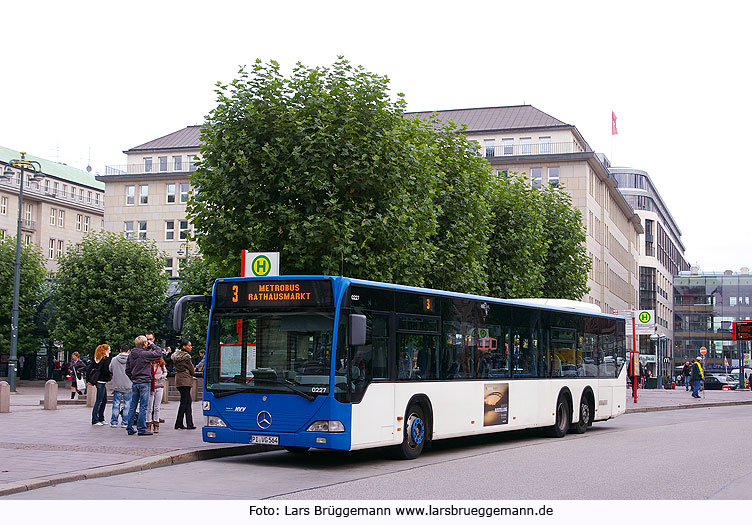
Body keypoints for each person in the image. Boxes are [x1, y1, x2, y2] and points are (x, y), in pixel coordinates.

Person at [125, 335, 163, 436]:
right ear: (144, 343)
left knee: (133, 406)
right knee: (143, 407)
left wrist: (133, 378)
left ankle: (129, 427)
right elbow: (158, 354)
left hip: (135, 382)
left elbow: (127, 370)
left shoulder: (131, 355)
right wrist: (153, 345)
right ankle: (141, 429)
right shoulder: (144, 354)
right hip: (144, 382)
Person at [172, 339, 196, 430]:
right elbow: (192, 369)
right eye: (189, 346)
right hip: (185, 379)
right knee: (185, 402)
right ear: (184, 346)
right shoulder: (186, 357)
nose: (190, 347)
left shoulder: (175, 356)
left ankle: (184, 423)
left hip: (178, 379)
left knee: (186, 401)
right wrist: (190, 371)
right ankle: (183, 423)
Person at [87, 344, 112, 426]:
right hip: (101, 381)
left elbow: (89, 369)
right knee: (99, 401)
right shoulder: (104, 359)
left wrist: (88, 379)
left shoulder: (96, 359)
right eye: (109, 350)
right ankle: (95, 419)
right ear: (105, 351)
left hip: (100, 381)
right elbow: (106, 370)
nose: (110, 351)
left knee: (103, 400)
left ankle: (101, 418)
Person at [109, 343, 132, 428]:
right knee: (127, 404)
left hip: (117, 384)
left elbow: (110, 369)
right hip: (128, 384)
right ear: (128, 351)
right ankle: (125, 422)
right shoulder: (131, 359)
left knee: (116, 404)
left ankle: (114, 422)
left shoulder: (114, 359)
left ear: (120, 350)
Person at [145, 357, 167, 433]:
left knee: (157, 407)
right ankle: (148, 424)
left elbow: (165, 372)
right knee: (149, 407)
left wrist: (162, 376)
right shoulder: (148, 365)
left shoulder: (161, 364)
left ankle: (156, 424)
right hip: (151, 387)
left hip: (159, 386)